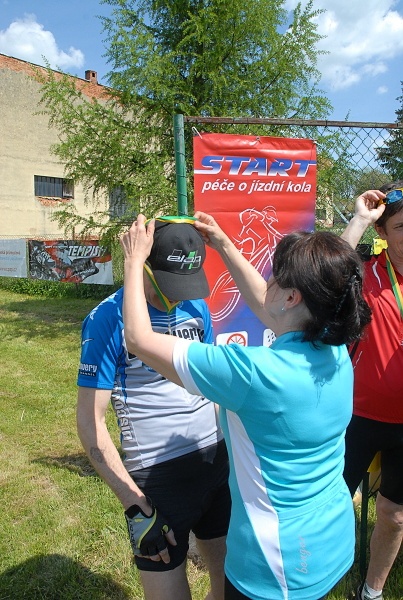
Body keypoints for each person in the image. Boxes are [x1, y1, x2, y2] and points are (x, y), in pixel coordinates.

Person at [119, 212, 372, 600]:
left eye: (275, 275)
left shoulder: (254, 374)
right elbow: (269, 305)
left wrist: (134, 260)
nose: (268, 280)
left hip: (277, 568)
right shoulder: (334, 349)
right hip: (331, 542)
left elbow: (138, 338)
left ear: (292, 297)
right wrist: (222, 243)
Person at [77, 217, 231, 600]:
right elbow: (90, 422)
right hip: (157, 476)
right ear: (141, 265)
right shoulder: (106, 319)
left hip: (214, 460)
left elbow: (210, 389)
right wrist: (134, 505)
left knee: (229, 582)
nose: (177, 298)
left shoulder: (196, 306)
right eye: (167, 285)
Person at [341, 183, 403, 600]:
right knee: (329, 504)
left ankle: (372, 591)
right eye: (401, 227)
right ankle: (311, 580)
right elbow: (324, 273)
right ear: (383, 232)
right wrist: (361, 219)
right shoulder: (365, 273)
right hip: (356, 416)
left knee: (395, 515)